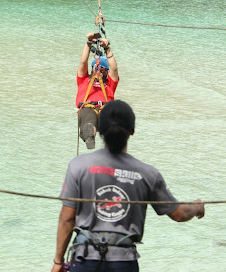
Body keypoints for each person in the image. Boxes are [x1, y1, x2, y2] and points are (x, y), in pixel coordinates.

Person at [52, 100, 205, 272]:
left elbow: (67, 219)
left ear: (99, 129)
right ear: (132, 131)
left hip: (85, 259)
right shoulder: (147, 174)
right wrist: (197, 206)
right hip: (123, 262)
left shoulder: (78, 166)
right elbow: (179, 214)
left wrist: (58, 261)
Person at [76, 32, 119, 149]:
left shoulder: (109, 83)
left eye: (102, 69)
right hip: (88, 107)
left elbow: (114, 68)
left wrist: (107, 49)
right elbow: (83, 62)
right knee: (89, 118)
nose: (98, 71)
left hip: (105, 110)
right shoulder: (84, 79)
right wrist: (89, 43)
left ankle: (113, 144)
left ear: (106, 72)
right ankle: (90, 135)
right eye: (96, 68)